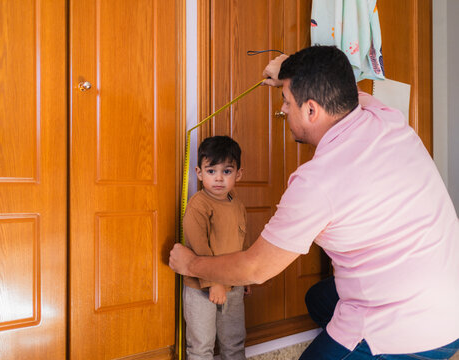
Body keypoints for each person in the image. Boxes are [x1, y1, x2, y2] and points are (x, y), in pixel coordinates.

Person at [170, 46, 459, 359]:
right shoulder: (383, 116)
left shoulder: (317, 181)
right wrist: (288, 69)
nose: (282, 110)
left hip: (408, 333)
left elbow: (256, 268)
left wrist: (191, 264)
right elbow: (343, 89)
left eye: (286, 102)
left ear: (310, 110)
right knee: (319, 300)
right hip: (452, 310)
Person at [182, 135, 250, 360]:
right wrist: (215, 283)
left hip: (233, 284)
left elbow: (242, 241)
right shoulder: (198, 205)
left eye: (227, 171)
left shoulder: (237, 203)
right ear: (199, 173)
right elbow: (200, 248)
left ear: (238, 174)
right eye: (211, 171)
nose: (218, 178)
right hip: (201, 288)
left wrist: (245, 277)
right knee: (201, 347)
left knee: (234, 342)